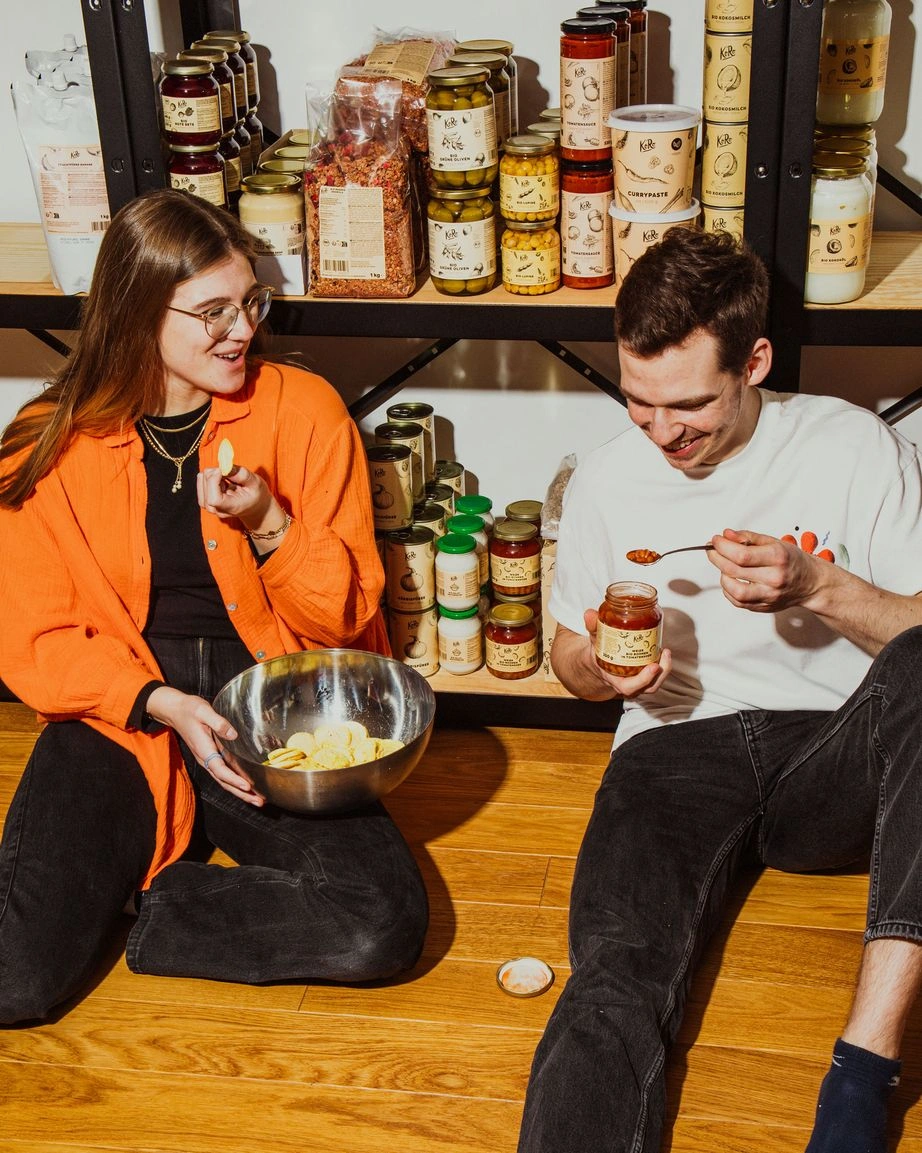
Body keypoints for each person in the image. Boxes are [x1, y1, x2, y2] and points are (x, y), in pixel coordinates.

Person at [517, 227, 922, 1153]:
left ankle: (863, 1072)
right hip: (673, 748)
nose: (663, 432)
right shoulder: (607, 478)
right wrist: (603, 669)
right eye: (640, 401)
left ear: (755, 362)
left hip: (833, 750)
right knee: (616, 971)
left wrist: (818, 587)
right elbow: (569, 652)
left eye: (690, 404)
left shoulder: (852, 445)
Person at [0, 188, 428, 1024]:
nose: (243, 330)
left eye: (250, 303)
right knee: (14, 977)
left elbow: (344, 616)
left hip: (267, 712)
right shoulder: (45, 440)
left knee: (382, 920)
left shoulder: (304, 411)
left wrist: (269, 522)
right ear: (138, 311)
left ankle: (144, 907)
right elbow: (34, 636)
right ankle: (117, 866)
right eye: (213, 312)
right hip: (121, 707)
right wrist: (158, 701)